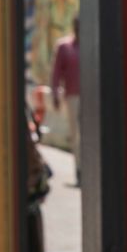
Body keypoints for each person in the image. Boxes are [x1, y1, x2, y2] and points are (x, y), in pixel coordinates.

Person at [50, 19, 81, 182]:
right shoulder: (64, 47)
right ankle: (79, 169)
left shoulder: (91, 45)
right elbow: (56, 73)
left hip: (91, 98)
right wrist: (55, 94)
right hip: (73, 97)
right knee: (76, 134)